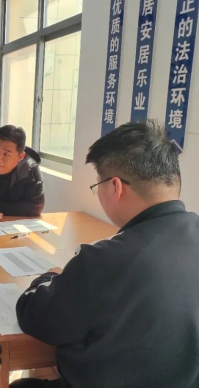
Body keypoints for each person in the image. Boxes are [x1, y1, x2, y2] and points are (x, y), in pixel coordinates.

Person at [13, 121, 199, 388]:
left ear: (115, 187)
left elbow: (35, 316)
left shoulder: (103, 259)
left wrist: (48, 277)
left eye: (96, 185)